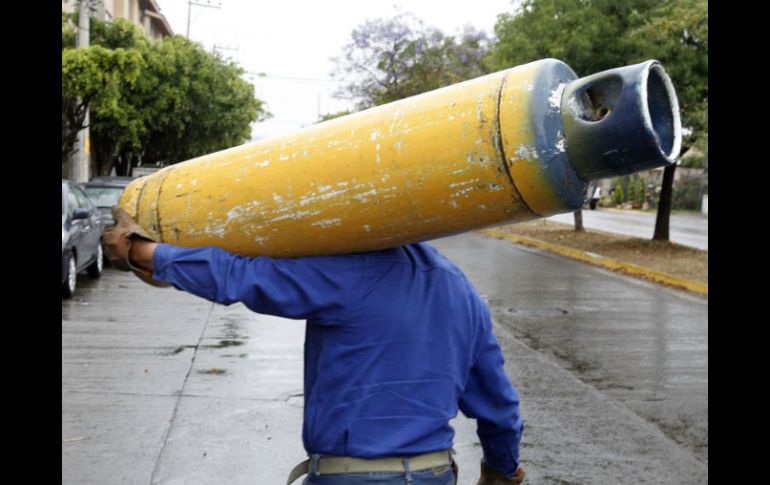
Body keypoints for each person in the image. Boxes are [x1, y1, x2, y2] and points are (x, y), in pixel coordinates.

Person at [104, 207, 526, 485]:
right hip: (435, 474)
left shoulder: (350, 270)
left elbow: (242, 276)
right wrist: (501, 472)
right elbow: (500, 409)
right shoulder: (462, 292)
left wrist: (145, 252)